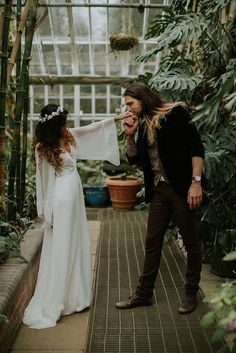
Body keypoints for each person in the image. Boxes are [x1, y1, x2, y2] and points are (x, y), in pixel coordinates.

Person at [23, 103, 132, 329]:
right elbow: (43, 182)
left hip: (75, 197)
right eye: (63, 122)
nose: (67, 125)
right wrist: (45, 212)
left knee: (75, 242)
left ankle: (77, 297)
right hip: (61, 199)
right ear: (55, 125)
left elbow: (92, 128)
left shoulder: (69, 136)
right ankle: (59, 299)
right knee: (62, 245)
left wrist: (116, 119)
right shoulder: (43, 147)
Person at [116, 82, 204, 314]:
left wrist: (195, 184)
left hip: (182, 189)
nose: (129, 108)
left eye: (131, 103)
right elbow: (135, 159)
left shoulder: (175, 113)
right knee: (152, 241)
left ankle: (190, 294)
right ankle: (144, 294)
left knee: (191, 242)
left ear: (143, 98)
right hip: (159, 191)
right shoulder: (143, 125)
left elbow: (197, 148)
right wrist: (130, 136)